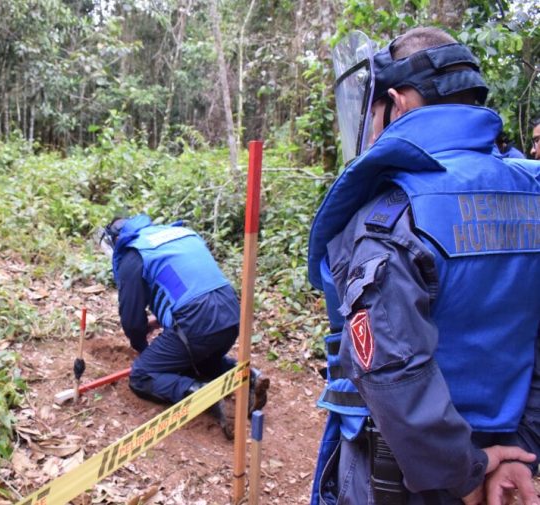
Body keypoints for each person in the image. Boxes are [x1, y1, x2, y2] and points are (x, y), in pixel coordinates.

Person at [307, 27, 540, 504]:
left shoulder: (395, 212)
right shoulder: (532, 194)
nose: (372, 130)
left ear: (400, 103)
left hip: (409, 478)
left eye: (373, 114)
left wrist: (465, 471)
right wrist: (517, 451)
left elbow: (389, 368)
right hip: (505, 467)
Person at [99, 214, 269, 438]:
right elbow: (191, 284)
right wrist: (160, 321)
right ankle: (249, 376)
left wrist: (142, 347)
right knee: (197, 360)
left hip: (195, 322)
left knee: (142, 375)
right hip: (231, 313)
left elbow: (131, 319)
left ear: (116, 239)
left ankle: (206, 396)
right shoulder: (178, 234)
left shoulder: (133, 254)